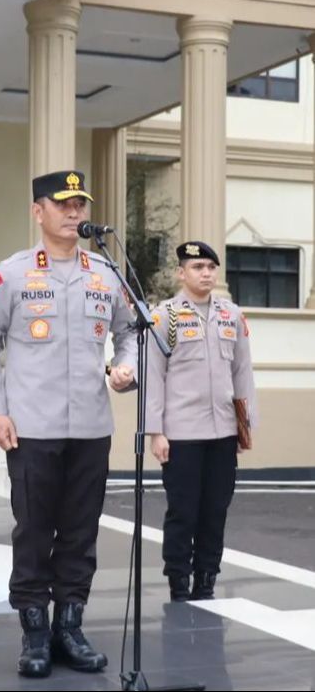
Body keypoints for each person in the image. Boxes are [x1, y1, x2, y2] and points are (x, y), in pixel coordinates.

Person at [0, 170, 137, 678]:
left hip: (90, 425)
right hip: (32, 427)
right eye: (62, 204)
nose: (74, 213)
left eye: (80, 204)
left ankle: (70, 627)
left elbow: (131, 333)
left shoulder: (106, 274)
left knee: (81, 534)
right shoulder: (13, 274)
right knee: (34, 531)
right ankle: (35, 635)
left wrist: (127, 367)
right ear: (38, 211)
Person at [145, 241, 256, 603]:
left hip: (223, 431)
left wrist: (244, 426)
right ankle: (179, 579)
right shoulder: (165, 317)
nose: (206, 273)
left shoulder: (231, 315)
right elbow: (154, 377)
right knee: (183, 512)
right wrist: (155, 432)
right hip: (182, 434)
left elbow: (242, 373)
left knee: (215, 510)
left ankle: (207, 577)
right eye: (197, 267)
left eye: (210, 267)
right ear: (181, 272)